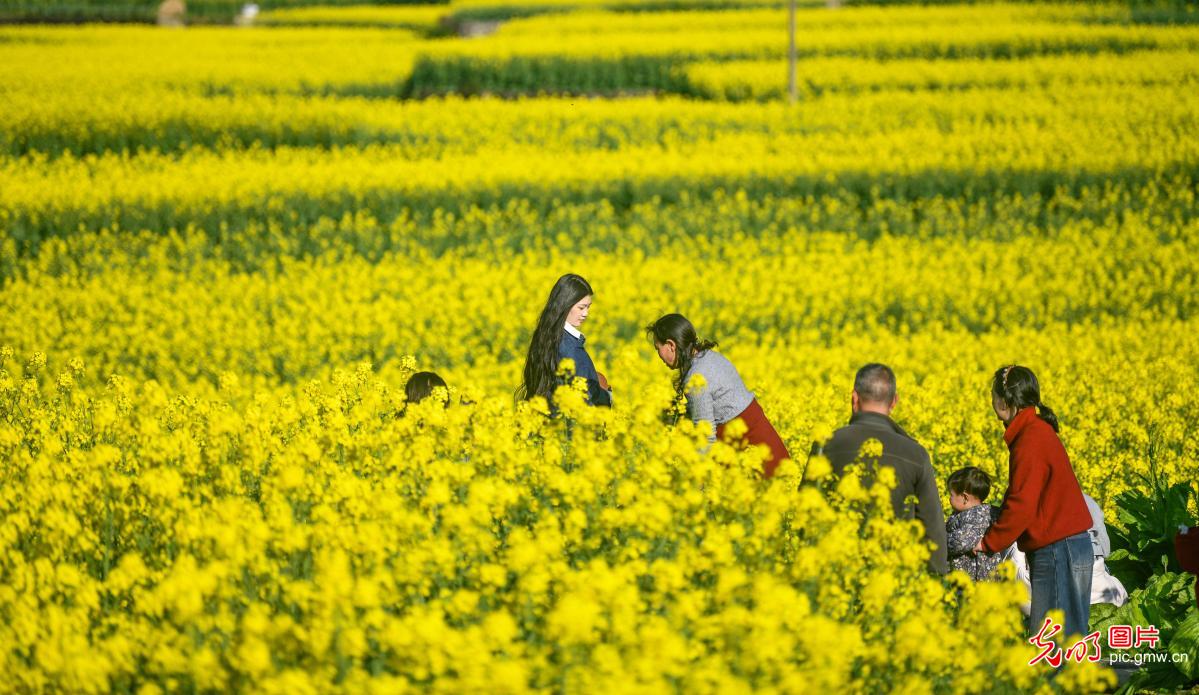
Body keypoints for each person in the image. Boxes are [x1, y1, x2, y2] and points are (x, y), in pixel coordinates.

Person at [975, 365, 1093, 639]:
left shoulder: (1030, 439)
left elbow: (1021, 503)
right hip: (1069, 546)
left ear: (1005, 401)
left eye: (993, 395)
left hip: (1057, 550)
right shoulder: (1036, 430)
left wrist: (988, 542)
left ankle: (1053, 683)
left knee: (1050, 641)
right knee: (1070, 638)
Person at [814, 363, 947, 574]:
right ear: (894, 401)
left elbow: (808, 510)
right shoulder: (916, 454)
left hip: (836, 572)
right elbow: (933, 531)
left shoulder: (826, 444)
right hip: (893, 577)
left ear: (854, 398)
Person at [646, 313, 789, 478]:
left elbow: (705, 436)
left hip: (755, 459)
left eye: (658, 348)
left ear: (671, 345)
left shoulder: (696, 378)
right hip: (767, 448)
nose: (659, 355)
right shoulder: (709, 356)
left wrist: (697, 484)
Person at [520, 273, 612, 408]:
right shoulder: (570, 348)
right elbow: (585, 399)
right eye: (581, 308)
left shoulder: (545, 337)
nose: (586, 313)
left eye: (588, 307)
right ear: (565, 305)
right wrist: (607, 396)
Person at [945, 467, 1002, 581]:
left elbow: (960, 542)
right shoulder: (982, 514)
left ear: (965, 497)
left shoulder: (977, 517)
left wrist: (936, 540)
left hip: (975, 580)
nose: (949, 499)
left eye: (951, 495)